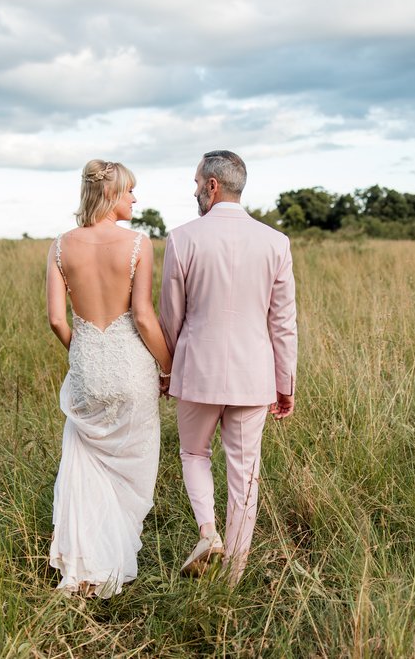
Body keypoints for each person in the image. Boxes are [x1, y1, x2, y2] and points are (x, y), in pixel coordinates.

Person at [158, 150, 297, 585]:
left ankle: (208, 532)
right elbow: (283, 322)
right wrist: (285, 383)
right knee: (245, 473)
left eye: (197, 182)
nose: (195, 190)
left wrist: (166, 371)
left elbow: (170, 317)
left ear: (212, 186)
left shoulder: (182, 238)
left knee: (193, 453)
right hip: (254, 377)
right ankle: (233, 575)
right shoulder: (276, 242)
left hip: (196, 370)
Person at [46, 159, 173, 598]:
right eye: (130, 191)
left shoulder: (61, 246)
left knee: (85, 465)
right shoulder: (139, 243)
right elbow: (142, 316)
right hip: (131, 368)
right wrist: (168, 366)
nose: (136, 199)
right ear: (111, 195)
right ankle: (112, 560)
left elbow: (57, 320)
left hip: (86, 369)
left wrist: (82, 352)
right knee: (131, 470)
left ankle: (83, 567)